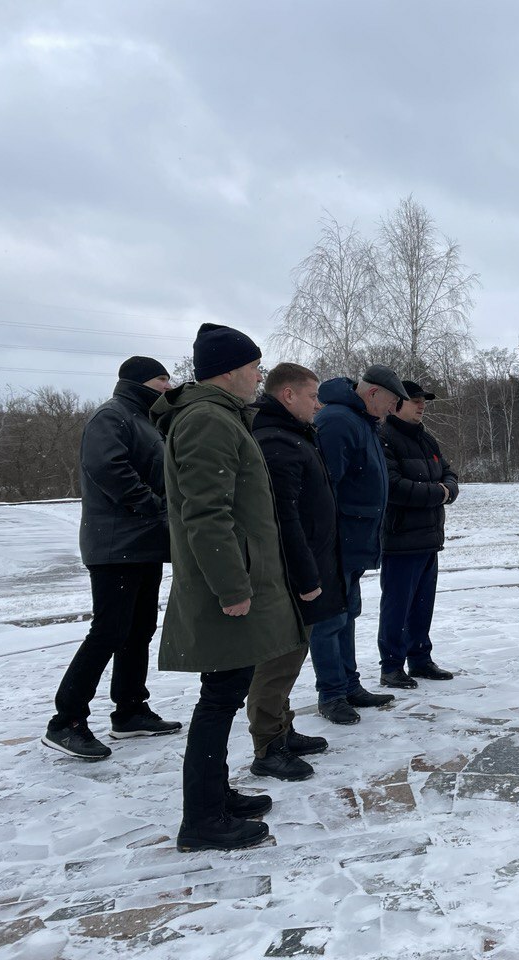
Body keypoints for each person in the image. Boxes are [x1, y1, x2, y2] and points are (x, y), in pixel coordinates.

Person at [153, 323, 305, 852]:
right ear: (230, 370)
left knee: (223, 693)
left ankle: (215, 796)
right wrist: (232, 588)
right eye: (254, 367)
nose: (259, 376)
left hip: (237, 583)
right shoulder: (207, 421)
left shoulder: (220, 417)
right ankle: (202, 819)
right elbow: (206, 514)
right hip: (228, 592)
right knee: (218, 700)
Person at [42, 357, 180, 760]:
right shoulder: (112, 415)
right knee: (109, 630)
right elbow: (109, 468)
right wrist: (154, 506)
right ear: (138, 381)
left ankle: (130, 710)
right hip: (115, 545)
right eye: (161, 378)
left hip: (144, 543)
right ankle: (65, 721)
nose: (168, 385)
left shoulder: (145, 419)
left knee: (139, 629)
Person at [246, 362, 348, 781]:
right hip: (288, 575)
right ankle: (268, 747)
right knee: (277, 661)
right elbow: (284, 519)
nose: (318, 404)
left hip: (304, 567)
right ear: (288, 395)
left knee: (292, 655)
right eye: (312, 396)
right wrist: (306, 578)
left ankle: (282, 731)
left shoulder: (292, 435)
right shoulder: (276, 442)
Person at [309, 364, 408, 724]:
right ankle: (332, 693)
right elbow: (324, 487)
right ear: (372, 394)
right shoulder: (338, 421)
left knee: (347, 615)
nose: (392, 410)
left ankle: (349, 685)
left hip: (354, 540)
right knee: (329, 619)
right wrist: (326, 540)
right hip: (336, 542)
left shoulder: (361, 422)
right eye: (391, 402)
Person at [377, 380, 459, 688]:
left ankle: (420, 660)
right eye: (414, 400)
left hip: (429, 538)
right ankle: (391, 667)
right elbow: (393, 487)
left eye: (423, 400)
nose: (421, 405)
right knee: (397, 606)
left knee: (423, 605)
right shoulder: (384, 437)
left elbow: (450, 474)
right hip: (400, 539)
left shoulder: (427, 439)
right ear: (396, 403)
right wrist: (437, 493)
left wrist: (446, 489)